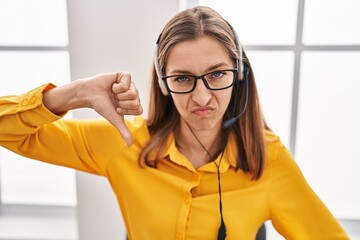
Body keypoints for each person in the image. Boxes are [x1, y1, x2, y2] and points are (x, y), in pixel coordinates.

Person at [0, 6, 349, 240]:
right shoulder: (123, 142)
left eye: (217, 75)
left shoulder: (268, 160)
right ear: (163, 83)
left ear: (239, 74)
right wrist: (74, 93)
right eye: (182, 78)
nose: (201, 98)